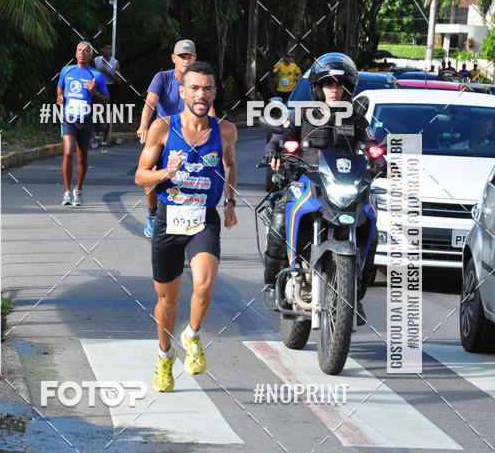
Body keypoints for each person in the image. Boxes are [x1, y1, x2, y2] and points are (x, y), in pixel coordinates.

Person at [135, 61, 237, 392]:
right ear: (182, 92)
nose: (201, 94)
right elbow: (140, 176)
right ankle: (164, 356)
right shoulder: (163, 128)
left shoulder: (225, 131)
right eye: (194, 88)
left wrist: (230, 202)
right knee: (168, 302)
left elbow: (230, 164)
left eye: (207, 88)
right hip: (170, 217)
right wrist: (166, 172)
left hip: (203, 217)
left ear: (213, 93)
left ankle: (192, 335)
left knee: (205, 284)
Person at [262, 52, 384, 325]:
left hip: (346, 186)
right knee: (280, 219)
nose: (334, 89)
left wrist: (381, 159)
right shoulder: (302, 113)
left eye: (339, 84)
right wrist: (273, 149)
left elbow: (371, 144)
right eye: (328, 83)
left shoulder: (356, 119)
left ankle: (356, 294)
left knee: (372, 226)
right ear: (319, 86)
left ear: (348, 88)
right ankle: (273, 285)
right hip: (308, 183)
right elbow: (282, 135)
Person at [138, 40, 216, 238]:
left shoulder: (199, 82)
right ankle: (152, 213)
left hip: (192, 136)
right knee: (151, 171)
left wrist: (214, 131)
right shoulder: (162, 78)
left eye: (189, 57)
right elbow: (150, 103)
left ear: (195, 59)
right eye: (182, 57)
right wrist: (143, 125)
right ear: (174, 58)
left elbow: (209, 109)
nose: (186, 60)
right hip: (165, 136)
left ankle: (200, 214)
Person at [56, 41, 109, 206]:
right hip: (69, 118)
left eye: (86, 51)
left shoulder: (96, 75)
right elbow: (60, 87)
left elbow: (106, 98)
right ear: (75, 53)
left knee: (82, 157)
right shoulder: (67, 70)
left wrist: (95, 93)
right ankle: (66, 192)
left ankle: (78, 190)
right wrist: (60, 97)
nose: (82, 53)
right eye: (79, 50)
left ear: (91, 55)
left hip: (85, 119)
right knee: (68, 151)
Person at [93, 42, 121, 152]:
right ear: (102, 49)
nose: (108, 51)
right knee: (96, 114)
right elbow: (91, 74)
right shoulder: (96, 60)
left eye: (110, 48)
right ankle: (96, 136)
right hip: (99, 87)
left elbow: (119, 81)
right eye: (106, 48)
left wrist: (109, 73)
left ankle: (104, 142)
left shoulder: (115, 63)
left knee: (106, 117)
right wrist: (98, 74)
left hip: (110, 89)